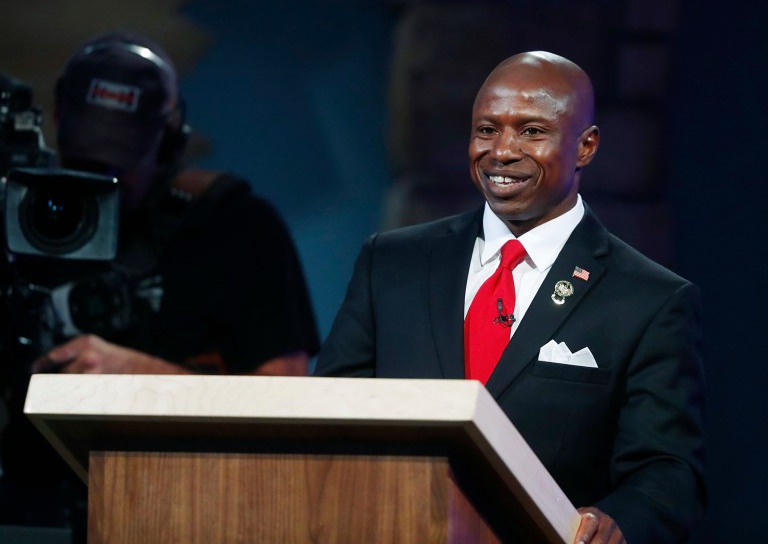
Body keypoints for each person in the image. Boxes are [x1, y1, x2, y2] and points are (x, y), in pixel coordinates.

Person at [314, 51, 705, 544]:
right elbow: (331, 414)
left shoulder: (649, 300)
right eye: (486, 130)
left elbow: (667, 471)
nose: (501, 150)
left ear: (585, 146)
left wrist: (617, 522)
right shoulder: (391, 263)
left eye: (531, 131)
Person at [0, 31, 320, 538]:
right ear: (58, 122)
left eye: (118, 160)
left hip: (173, 511)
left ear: (170, 141)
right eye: (87, 156)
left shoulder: (233, 226)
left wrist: (144, 381)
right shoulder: (17, 216)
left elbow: (286, 406)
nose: (100, 176)